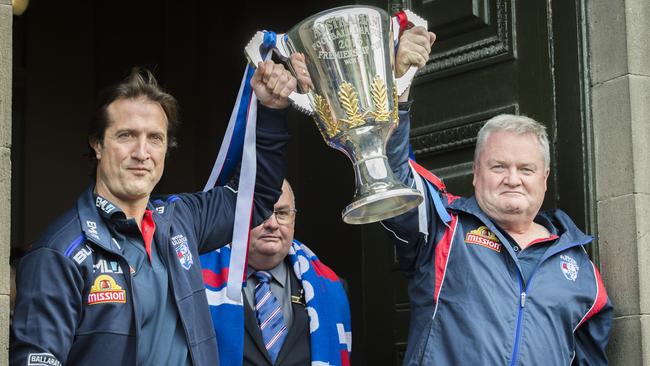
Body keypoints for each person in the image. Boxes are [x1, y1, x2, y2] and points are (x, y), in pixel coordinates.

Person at [10, 61, 296, 366]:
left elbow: (256, 196)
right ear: (97, 144)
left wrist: (271, 110)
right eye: (126, 136)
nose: (142, 153)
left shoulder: (179, 220)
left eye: (155, 138)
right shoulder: (58, 252)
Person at [382, 26, 613, 365]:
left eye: (526, 169)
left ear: (544, 178)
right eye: (499, 166)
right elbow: (392, 178)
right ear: (475, 174)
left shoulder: (580, 269)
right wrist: (399, 86)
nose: (513, 180)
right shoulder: (442, 228)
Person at [200, 180, 351, 366]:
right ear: (234, 216)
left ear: (293, 220)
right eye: (260, 211)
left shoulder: (331, 288)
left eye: (282, 213)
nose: (272, 223)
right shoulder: (196, 282)